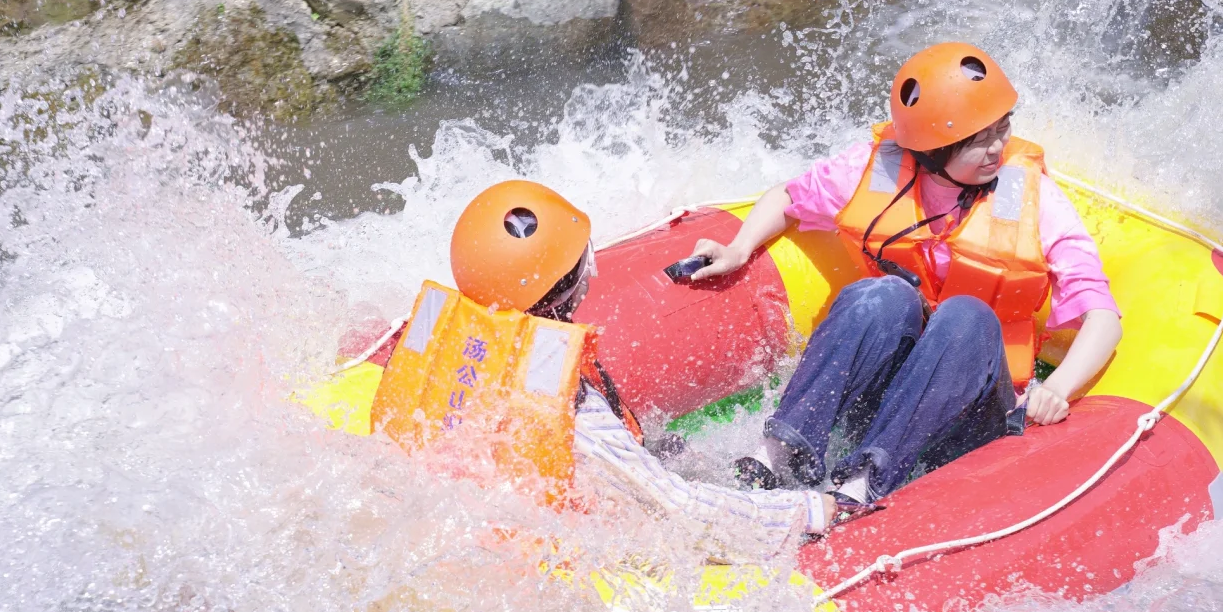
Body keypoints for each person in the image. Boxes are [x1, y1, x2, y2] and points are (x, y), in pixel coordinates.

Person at [686, 42, 1123, 506]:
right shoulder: (876, 168)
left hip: (970, 411)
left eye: (1003, 128)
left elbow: (1103, 318)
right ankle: (782, 454)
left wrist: (1055, 388)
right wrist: (738, 249)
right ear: (934, 149)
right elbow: (786, 198)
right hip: (888, 397)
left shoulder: (1037, 200)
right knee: (882, 294)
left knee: (966, 315)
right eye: (980, 139)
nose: (998, 148)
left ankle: (859, 487)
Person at [369, 180, 872, 556]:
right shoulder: (566, 405)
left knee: (672, 448)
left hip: (452, 531)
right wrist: (810, 510)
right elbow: (678, 511)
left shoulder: (457, 351)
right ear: (575, 280)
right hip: (544, 566)